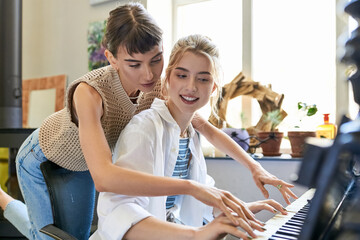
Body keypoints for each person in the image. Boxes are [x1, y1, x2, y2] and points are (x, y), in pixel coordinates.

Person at [0, 2, 295, 240]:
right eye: (134, 64)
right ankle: (2, 199)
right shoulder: (89, 93)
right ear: (111, 58)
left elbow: (205, 127)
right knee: (50, 237)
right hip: (45, 157)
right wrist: (192, 189)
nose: (148, 74)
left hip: (92, 159)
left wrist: (255, 167)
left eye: (156, 59)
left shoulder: (158, 84)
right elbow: (104, 177)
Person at [91, 34, 287, 240]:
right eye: (182, 75)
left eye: (203, 79)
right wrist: (197, 234)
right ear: (167, 78)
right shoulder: (144, 129)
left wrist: (242, 209)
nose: (191, 87)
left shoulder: (189, 134)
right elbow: (119, 217)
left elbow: (199, 205)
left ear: (213, 88)